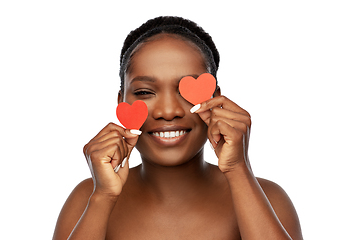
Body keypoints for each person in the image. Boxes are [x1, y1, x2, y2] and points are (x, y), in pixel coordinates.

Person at [52, 16, 303, 240]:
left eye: (186, 91)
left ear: (216, 99)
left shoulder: (268, 198)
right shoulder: (87, 199)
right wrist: (102, 199)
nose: (168, 111)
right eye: (144, 92)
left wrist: (238, 169)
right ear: (121, 103)